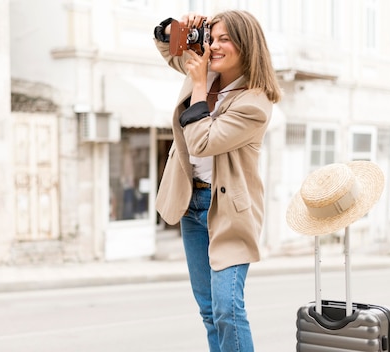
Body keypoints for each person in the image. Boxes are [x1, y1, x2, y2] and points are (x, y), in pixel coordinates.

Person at [153, 10, 281, 352]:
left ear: (246, 46)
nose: (215, 46)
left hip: (228, 212)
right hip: (191, 205)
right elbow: (169, 49)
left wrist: (197, 84)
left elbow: (202, 142)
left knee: (227, 308)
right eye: (213, 38)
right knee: (209, 310)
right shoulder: (205, 70)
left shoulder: (255, 102)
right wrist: (176, 29)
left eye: (226, 39)